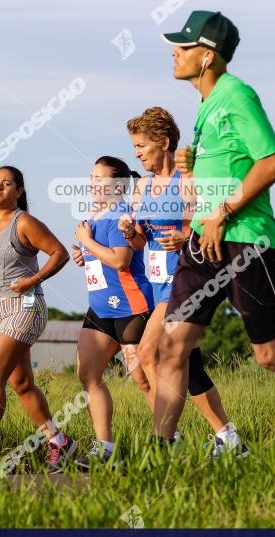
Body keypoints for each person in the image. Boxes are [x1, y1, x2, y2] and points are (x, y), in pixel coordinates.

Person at [155, 11, 275, 445]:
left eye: (184, 46)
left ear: (208, 56)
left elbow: (272, 162)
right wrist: (193, 168)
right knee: (172, 346)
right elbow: (211, 184)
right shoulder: (204, 104)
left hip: (243, 240)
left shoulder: (237, 94)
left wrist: (223, 213)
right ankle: (157, 454)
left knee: (269, 355)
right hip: (203, 240)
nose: (175, 52)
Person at [119, 106, 247, 457]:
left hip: (186, 277)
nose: (137, 153)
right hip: (159, 282)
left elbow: (206, 225)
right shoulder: (142, 186)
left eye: (142, 145)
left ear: (163, 142)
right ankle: (227, 437)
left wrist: (183, 235)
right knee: (188, 366)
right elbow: (140, 242)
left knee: (146, 353)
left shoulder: (186, 179)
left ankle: (166, 440)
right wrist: (131, 233)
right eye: (134, 147)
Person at [0, 165, 73, 473]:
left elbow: (60, 253)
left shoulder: (25, 223)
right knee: (21, 383)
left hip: (26, 306)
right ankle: (60, 442)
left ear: (18, 191)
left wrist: (31, 280)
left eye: (6, 184)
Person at [72, 156, 154, 469]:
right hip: (100, 308)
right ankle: (104, 448)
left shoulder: (121, 215)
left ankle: (168, 440)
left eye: (99, 179)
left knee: (143, 380)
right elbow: (100, 259)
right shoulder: (93, 216)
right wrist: (84, 255)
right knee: (88, 374)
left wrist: (88, 242)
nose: (93, 184)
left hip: (131, 306)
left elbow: (120, 260)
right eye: (91, 177)